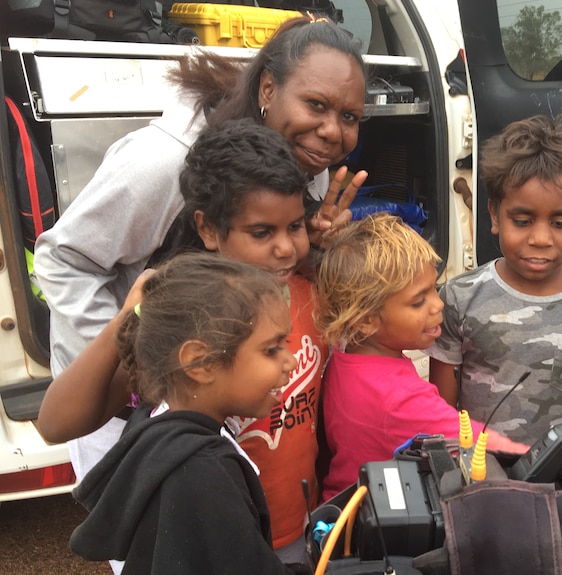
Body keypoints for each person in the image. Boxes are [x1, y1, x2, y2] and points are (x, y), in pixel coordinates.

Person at [33, 16, 367, 501]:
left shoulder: (305, 164)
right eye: (315, 105)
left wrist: (316, 243)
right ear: (268, 89)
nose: (332, 132)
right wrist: (134, 364)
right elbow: (66, 258)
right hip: (139, 406)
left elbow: (270, 259)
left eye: (350, 117)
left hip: (228, 402)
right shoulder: (165, 163)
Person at [39, 118, 328, 565]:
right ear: (209, 229)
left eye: (296, 226)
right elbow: (56, 424)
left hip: (288, 524)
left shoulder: (307, 286)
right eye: (261, 232)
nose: (287, 248)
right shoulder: (189, 317)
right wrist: (125, 322)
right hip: (200, 537)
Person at [69, 252, 304, 574]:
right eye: (272, 349)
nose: (291, 362)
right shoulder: (204, 473)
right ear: (201, 362)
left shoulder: (157, 422)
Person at [425, 115, 562, 445]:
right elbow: (441, 409)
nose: (540, 238)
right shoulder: (460, 296)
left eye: (560, 222)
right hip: (480, 468)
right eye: (522, 221)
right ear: (494, 214)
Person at [313, 214, 528, 500]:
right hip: (373, 525)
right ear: (364, 321)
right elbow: (490, 447)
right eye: (418, 300)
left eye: (433, 288)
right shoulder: (400, 399)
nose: (438, 303)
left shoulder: (344, 354)